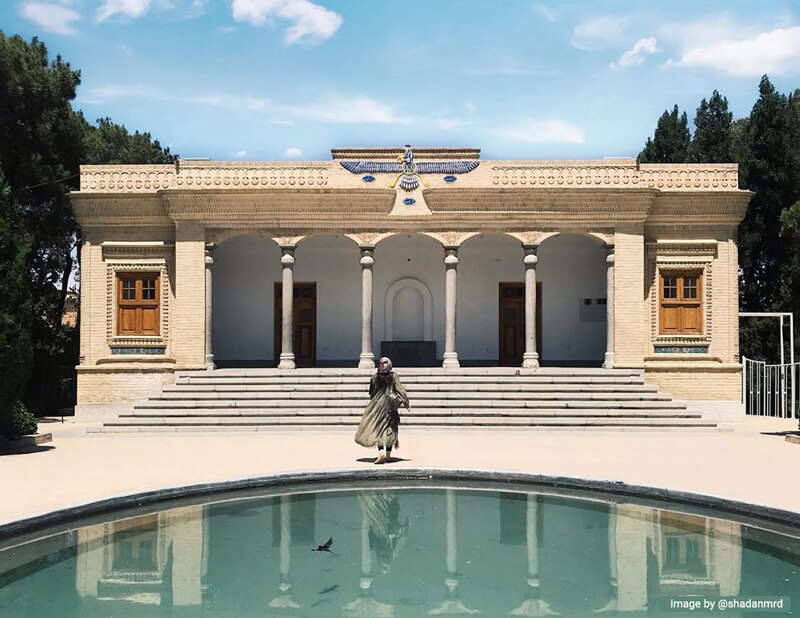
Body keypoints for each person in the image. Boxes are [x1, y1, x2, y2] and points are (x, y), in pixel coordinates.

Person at [354, 357, 410, 464]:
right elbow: (401, 391)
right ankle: (388, 454)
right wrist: (406, 402)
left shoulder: (374, 378)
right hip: (389, 406)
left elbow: (371, 394)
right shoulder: (393, 376)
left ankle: (381, 452)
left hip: (376, 406)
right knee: (390, 428)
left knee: (379, 428)